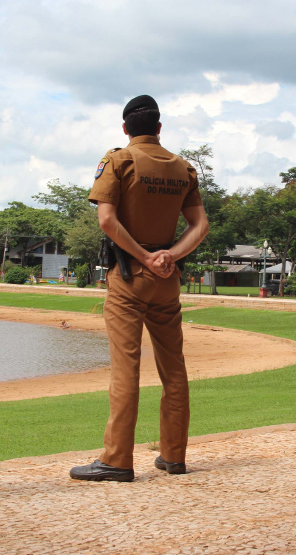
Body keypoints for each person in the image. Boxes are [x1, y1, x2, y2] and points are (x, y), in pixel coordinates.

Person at [70, 95, 209, 482]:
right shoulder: (183, 169)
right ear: (159, 128)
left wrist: (146, 258)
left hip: (129, 276)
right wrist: (170, 256)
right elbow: (200, 227)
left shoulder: (119, 161)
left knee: (125, 370)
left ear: (125, 128)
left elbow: (107, 221)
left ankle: (116, 460)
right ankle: (174, 456)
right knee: (173, 369)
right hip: (168, 283)